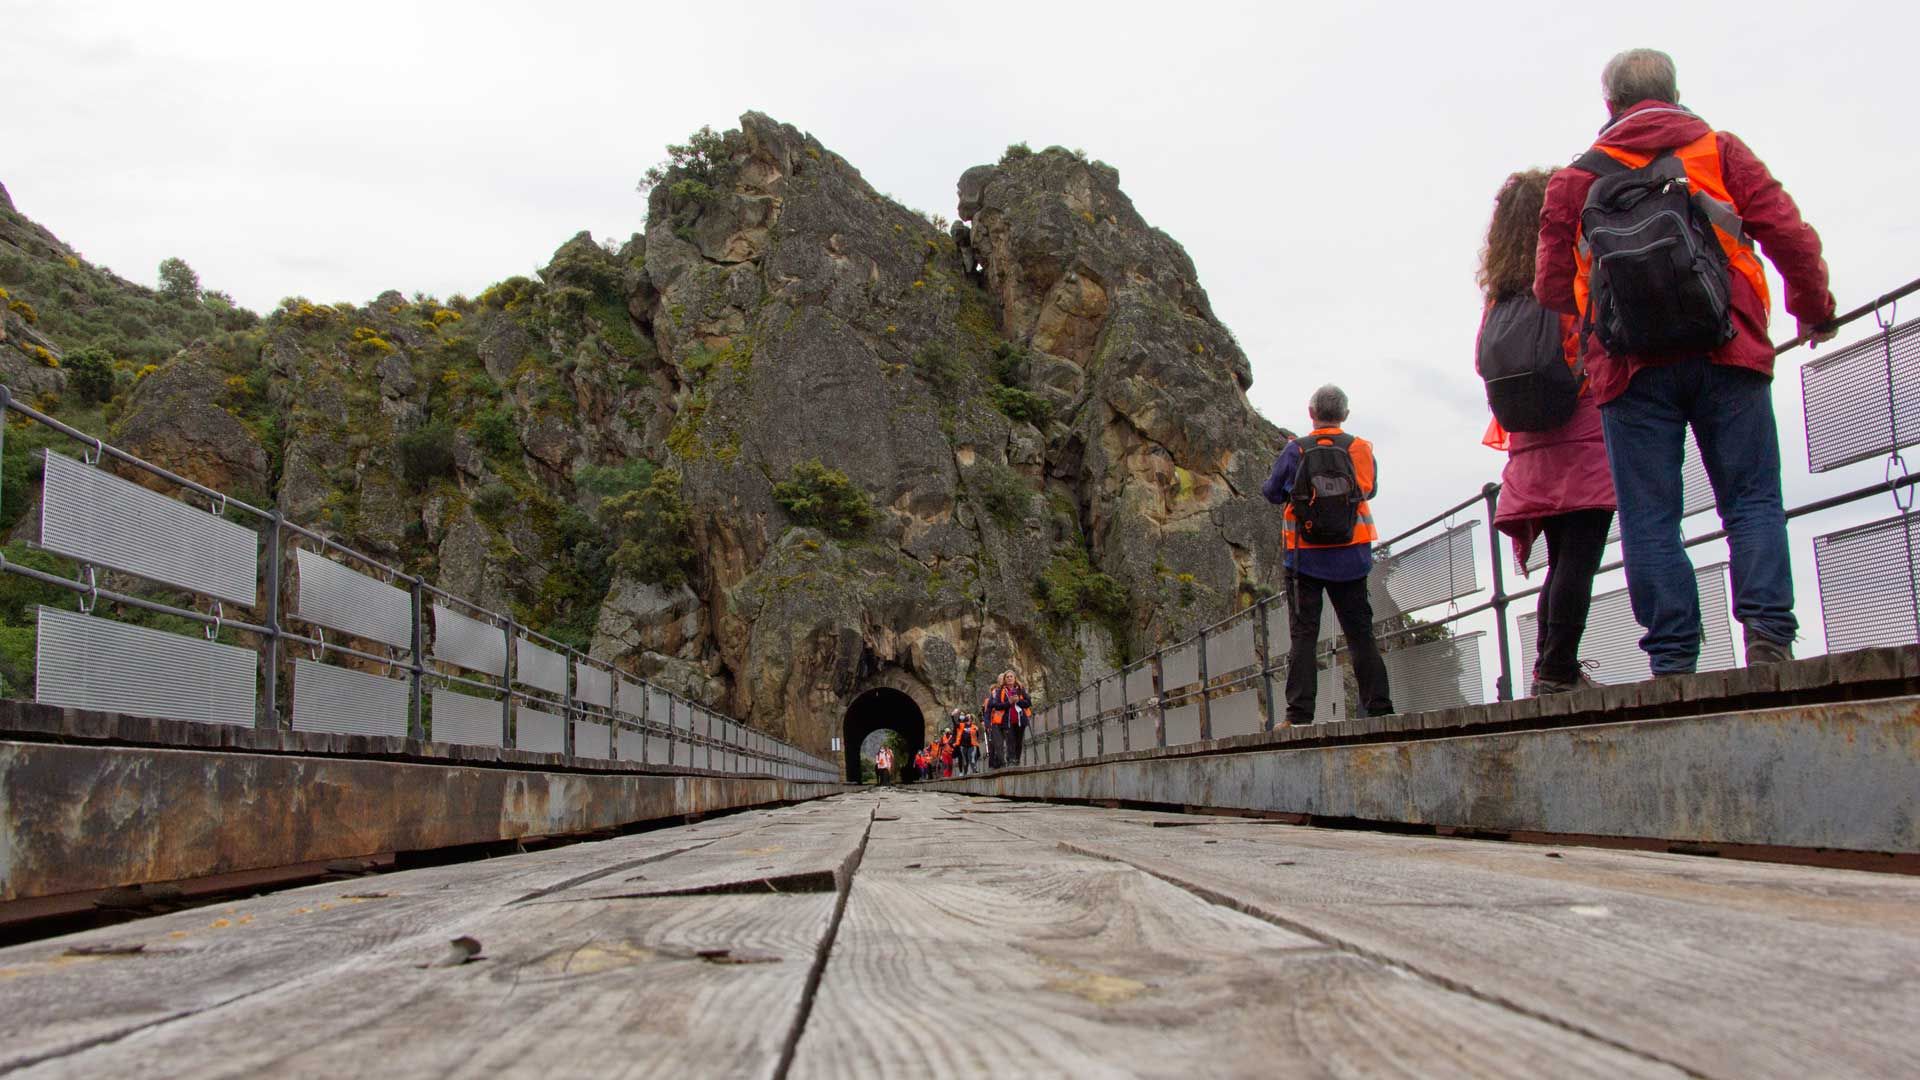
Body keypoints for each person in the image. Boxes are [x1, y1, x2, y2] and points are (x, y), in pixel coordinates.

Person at [1535, 48, 1835, 674]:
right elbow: (1789, 234)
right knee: (1750, 499)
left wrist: (1605, 321)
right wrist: (1813, 306)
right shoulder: (1720, 150)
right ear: (1674, 93)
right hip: (1730, 347)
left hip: (1628, 367)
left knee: (1651, 517)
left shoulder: (1574, 181)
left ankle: (1673, 659)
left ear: (1609, 105)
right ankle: (1768, 637)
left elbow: (1550, 288)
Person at [1479, 168, 1617, 695]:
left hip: (1530, 445)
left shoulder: (1499, 301)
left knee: (1563, 559)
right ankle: (1556, 671)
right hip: (1582, 433)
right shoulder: (1568, 276)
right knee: (1578, 559)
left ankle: (1550, 667)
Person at [1261, 385, 1393, 724]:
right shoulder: (1361, 448)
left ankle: (1299, 715)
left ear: (1311, 413)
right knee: (1360, 632)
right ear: (1345, 415)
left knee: (1304, 635)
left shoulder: (1296, 450)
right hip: (1351, 556)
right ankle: (1378, 708)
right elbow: (1369, 489)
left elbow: (1272, 492)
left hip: (1305, 559)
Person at [985, 670, 1032, 766]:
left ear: (1015, 678)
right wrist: (1008, 703)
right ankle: (1011, 760)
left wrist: (1018, 701)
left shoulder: (1021, 689)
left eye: (1011, 676)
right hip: (1007, 721)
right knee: (1010, 740)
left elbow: (1028, 703)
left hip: (1020, 720)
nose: (1009, 678)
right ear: (1005, 680)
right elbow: (997, 706)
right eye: (1007, 677)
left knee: (1018, 741)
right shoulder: (1001, 691)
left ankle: (1017, 760)